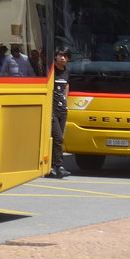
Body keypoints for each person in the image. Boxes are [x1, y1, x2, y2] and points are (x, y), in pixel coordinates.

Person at [48, 48, 72, 178]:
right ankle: (58, 166)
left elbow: (66, 86)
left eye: (65, 56)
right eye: (60, 55)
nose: (63, 58)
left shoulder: (67, 71)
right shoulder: (51, 71)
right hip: (52, 109)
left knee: (59, 139)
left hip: (62, 109)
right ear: (55, 57)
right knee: (57, 138)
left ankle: (54, 166)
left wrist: (66, 101)